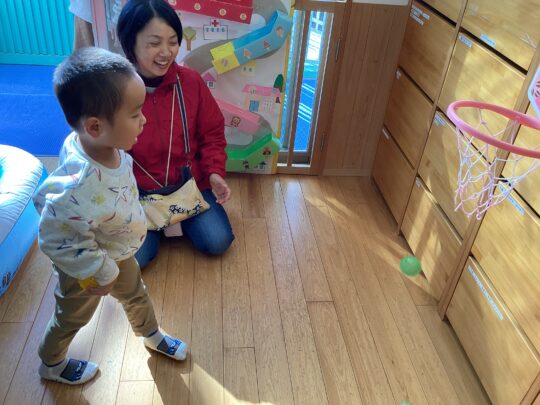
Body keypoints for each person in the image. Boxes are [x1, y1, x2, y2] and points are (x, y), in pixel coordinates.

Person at [33, 47, 188, 385]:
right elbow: (55, 236)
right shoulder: (80, 183)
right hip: (85, 269)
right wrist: (98, 271)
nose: (144, 120)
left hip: (116, 249)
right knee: (72, 316)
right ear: (95, 126)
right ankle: (51, 363)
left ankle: (150, 333)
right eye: (135, 114)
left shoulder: (100, 144)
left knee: (136, 293)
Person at [117, 0, 234, 269]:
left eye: (173, 42)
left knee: (218, 241)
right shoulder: (116, 90)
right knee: (134, 261)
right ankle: (160, 227)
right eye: (154, 43)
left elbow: (212, 133)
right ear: (130, 43)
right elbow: (103, 148)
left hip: (188, 187)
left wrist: (214, 172)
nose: (166, 52)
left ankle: (168, 225)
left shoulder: (190, 81)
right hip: (138, 194)